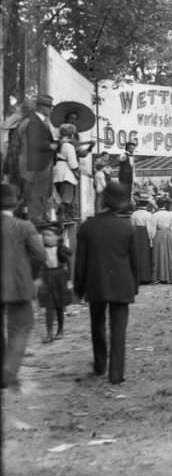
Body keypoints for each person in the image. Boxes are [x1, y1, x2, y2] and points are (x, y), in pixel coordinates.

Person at [74, 182, 138, 385]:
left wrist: (79, 288)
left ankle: (100, 365)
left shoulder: (87, 227)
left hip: (96, 283)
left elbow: (80, 261)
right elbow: (134, 261)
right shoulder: (127, 228)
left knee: (97, 325)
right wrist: (134, 285)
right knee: (119, 329)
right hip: (122, 284)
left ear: (102, 199)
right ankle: (116, 373)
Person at [2, 183, 47, 389]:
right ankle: (8, 370)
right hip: (18, 284)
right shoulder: (24, 227)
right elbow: (39, 254)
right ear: (15, 205)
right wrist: (31, 275)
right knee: (20, 327)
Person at [18, 94, 57, 224]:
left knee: (40, 192)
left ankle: (38, 217)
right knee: (36, 192)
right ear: (41, 107)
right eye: (49, 107)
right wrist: (51, 145)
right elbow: (34, 143)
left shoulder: (39, 121)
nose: (50, 110)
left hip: (41, 164)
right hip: (37, 165)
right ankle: (35, 218)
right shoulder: (34, 121)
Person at [37, 226, 72, 343]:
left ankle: (60, 330)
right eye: (44, 236)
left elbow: (69, 262)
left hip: (60, 277)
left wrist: (69, 280)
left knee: (59, 305)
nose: (45, 238)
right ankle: (49, 333)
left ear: (57, 237)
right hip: (47, 276)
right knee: (49, 305)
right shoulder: (41, 249)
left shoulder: (61, 249)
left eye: (49, 235)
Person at [52, 123, 80, 220]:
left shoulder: (57, 144)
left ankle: (59, 216)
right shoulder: (68, 146)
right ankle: (64, 216)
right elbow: (73, 163)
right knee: (66, 198)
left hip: (56, 171)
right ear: (71, 135)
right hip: (66, 173)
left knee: (59, 197)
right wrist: (77, 174)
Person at [150, 197, 172, 284]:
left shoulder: (154, 215)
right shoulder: (170, 214)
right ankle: (170, 276)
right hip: (168, 234)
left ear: (157, 204)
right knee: (169, 254)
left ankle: (159, 276)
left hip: (158, 234)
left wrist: (151, 238)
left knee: (159, 254)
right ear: (165, 204)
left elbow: (152, 229)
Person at [129, 195, 154, 284]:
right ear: (146, 205)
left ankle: (137, 277)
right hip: (144, 234)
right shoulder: (148, 215)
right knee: (146, 255)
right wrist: (151, 239)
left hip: (136, 234)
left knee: (137, 254)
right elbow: (150, 228)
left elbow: (131, 226)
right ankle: (146, 277)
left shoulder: (134, 214)